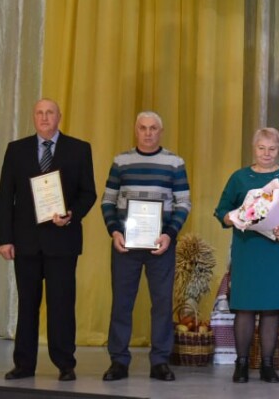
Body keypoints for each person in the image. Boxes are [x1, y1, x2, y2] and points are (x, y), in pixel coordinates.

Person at [0, 99, 97, 382]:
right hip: (25, 242)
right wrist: (4, 238)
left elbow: (88, 193)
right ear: (33, 117)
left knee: (62, 304)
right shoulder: (16, 150)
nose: (44, 117)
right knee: (27, 304)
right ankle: (24, 364)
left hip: (62, 241)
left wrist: (72, 214)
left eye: (49, 112)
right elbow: (5, 196)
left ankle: (65, 363)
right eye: (39, 112)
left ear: (59, 117)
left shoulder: (79, 149)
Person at [100, 111, 191, 383]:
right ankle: (118, 361)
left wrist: (169, 234)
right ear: (135, 130)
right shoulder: (121, 161)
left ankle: (160, 361)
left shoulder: (174, 162)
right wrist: (114, 231)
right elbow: (108, 201)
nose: (148, 133)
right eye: (143, 128)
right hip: (125, 246)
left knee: (162, 304)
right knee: (122, 304)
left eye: (153, 128)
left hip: (160, 246)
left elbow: (183, 202)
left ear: (160, 132)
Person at [214, 127, 279, 384]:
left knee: (271, 310)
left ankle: (267, 365)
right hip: (248, 250)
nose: (266, 153)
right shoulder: (239, 178)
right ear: (254, 149)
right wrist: (236, 217)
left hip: (278, 250)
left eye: (272, 149)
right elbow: (221, 210)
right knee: (244, 308)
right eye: (261, 148)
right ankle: (241, 364)